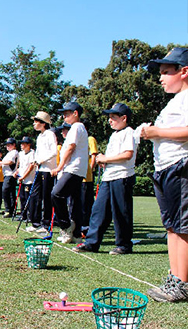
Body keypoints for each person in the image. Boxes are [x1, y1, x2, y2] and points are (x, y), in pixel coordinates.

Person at [141, 48, 188, 302]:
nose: (161, 78)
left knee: (181, 228)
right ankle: (174, 278)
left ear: (184, 71)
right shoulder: (175, 100)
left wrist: (157, 132)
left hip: (180, 166)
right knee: (171, 226)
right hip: (165, 167)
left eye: (165, 72)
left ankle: (182, 283)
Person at [74, 103, 137, 255]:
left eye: (113, 118)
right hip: (108, 177)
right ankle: (91, 243)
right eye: (109, 118)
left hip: (122, 176)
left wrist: (106, 158)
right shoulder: (114, 135)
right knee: (98, 210)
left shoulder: (129, 132)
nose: (110, 121)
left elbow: (128, 154)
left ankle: (124, 245)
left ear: (124, 118)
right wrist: (103, 161)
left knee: (121, 212)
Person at [51, 102, 89, 244]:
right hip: (78, 169)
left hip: (73, 168)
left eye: (67, 113)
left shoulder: (76, 127)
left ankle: (66, 226)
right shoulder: (80, 128)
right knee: (75, 202)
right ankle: (76, 233)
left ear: (75, 114)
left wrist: (59, 167)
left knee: (56, 194)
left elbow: (70, 147)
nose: (64, 116)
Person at [28, 111, 57, 233]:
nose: (34, 124)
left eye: (36, 121)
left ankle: (46, 224)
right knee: (35, 195)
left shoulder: (50, 134)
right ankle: (35, 223)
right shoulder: (40, 136)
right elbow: (39, 152)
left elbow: (54, 152)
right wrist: (36, 160)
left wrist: (41, 160)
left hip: (48, 170)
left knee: (46, 197)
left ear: (43, 123)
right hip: (40, 169)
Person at [14, 137, 36, 222]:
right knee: (22, 197)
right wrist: (17, 172)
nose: (22, 145)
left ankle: (30, 216)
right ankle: (23, 215)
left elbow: (31, 166)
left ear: (28, 144)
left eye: (24, 144)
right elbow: (20, 166)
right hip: (21, 179)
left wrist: (23, 176)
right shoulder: (21, 153)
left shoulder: (32, 153)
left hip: (29, 179)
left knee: (28, 198)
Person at [81, 133, 99, 233]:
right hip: (79, 176)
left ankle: (87, 225)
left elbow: (94, 155)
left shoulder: (90, 139)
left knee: (86, 203)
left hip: (86, 178)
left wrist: (90, 170)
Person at [2, 138, 18, 218]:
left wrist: (0, 163)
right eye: (7, 145)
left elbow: (10, 162)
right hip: (7, 174)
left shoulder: (14, 152)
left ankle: (9, 210)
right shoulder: (9, 153)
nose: (7, 146)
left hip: (10, 174)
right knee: (10, 192)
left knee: (6, 191)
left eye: (9, 145)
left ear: (14, 145)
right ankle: (11, 210)